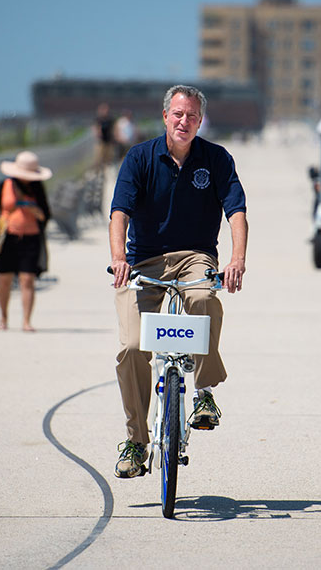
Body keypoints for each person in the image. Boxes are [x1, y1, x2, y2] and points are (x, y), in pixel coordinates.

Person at [108, 84, 247, 479]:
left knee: (204, 298)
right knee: (133, 346)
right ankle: (136, 441)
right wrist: (118, 259)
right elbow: (119, 212)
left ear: (201, 121)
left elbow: (236, 211)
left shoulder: (217, 159)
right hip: (142, 261)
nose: (184, 122)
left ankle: (204, 394)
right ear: (165, 116)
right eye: (178, 114)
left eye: (192, 116)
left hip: (194, 257)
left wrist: (236, 259)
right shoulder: (139, 157)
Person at [0, 151, 52, 332]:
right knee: (4, 279)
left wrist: (35, 211)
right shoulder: (5, 185)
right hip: (7, 237)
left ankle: (27, 320)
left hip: (31, 237)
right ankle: (3, 317)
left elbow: (46, 214)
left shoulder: (37, 188)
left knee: (27, 279)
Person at [93, 103, 115, 167]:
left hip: (108, 140)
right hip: (101, 141)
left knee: (109, 157)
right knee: (99, 157)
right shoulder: (99, 119)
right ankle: (98, 170)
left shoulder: (110, 119)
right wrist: (98, 134)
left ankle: (106, 168)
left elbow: (112, 129)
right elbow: (96, 128)